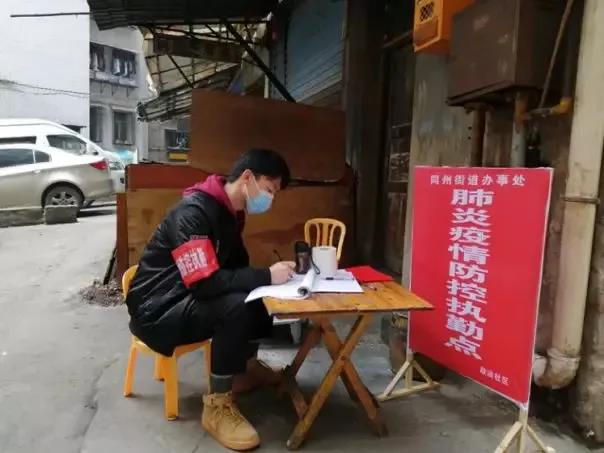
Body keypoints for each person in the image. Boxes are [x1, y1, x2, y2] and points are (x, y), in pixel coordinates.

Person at [126, 148, 295, 451]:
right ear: (247, 178)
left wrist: (271, 280)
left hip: (185, 295)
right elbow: (204, 283)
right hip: (158, 309)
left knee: (258, 298)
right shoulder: (192, 214)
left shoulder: (229, 214)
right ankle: (217, 405)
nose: (270, 199)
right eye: (269, 189)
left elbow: (237, 268)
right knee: (236, 307)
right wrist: (267, 276)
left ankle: (242, 371)